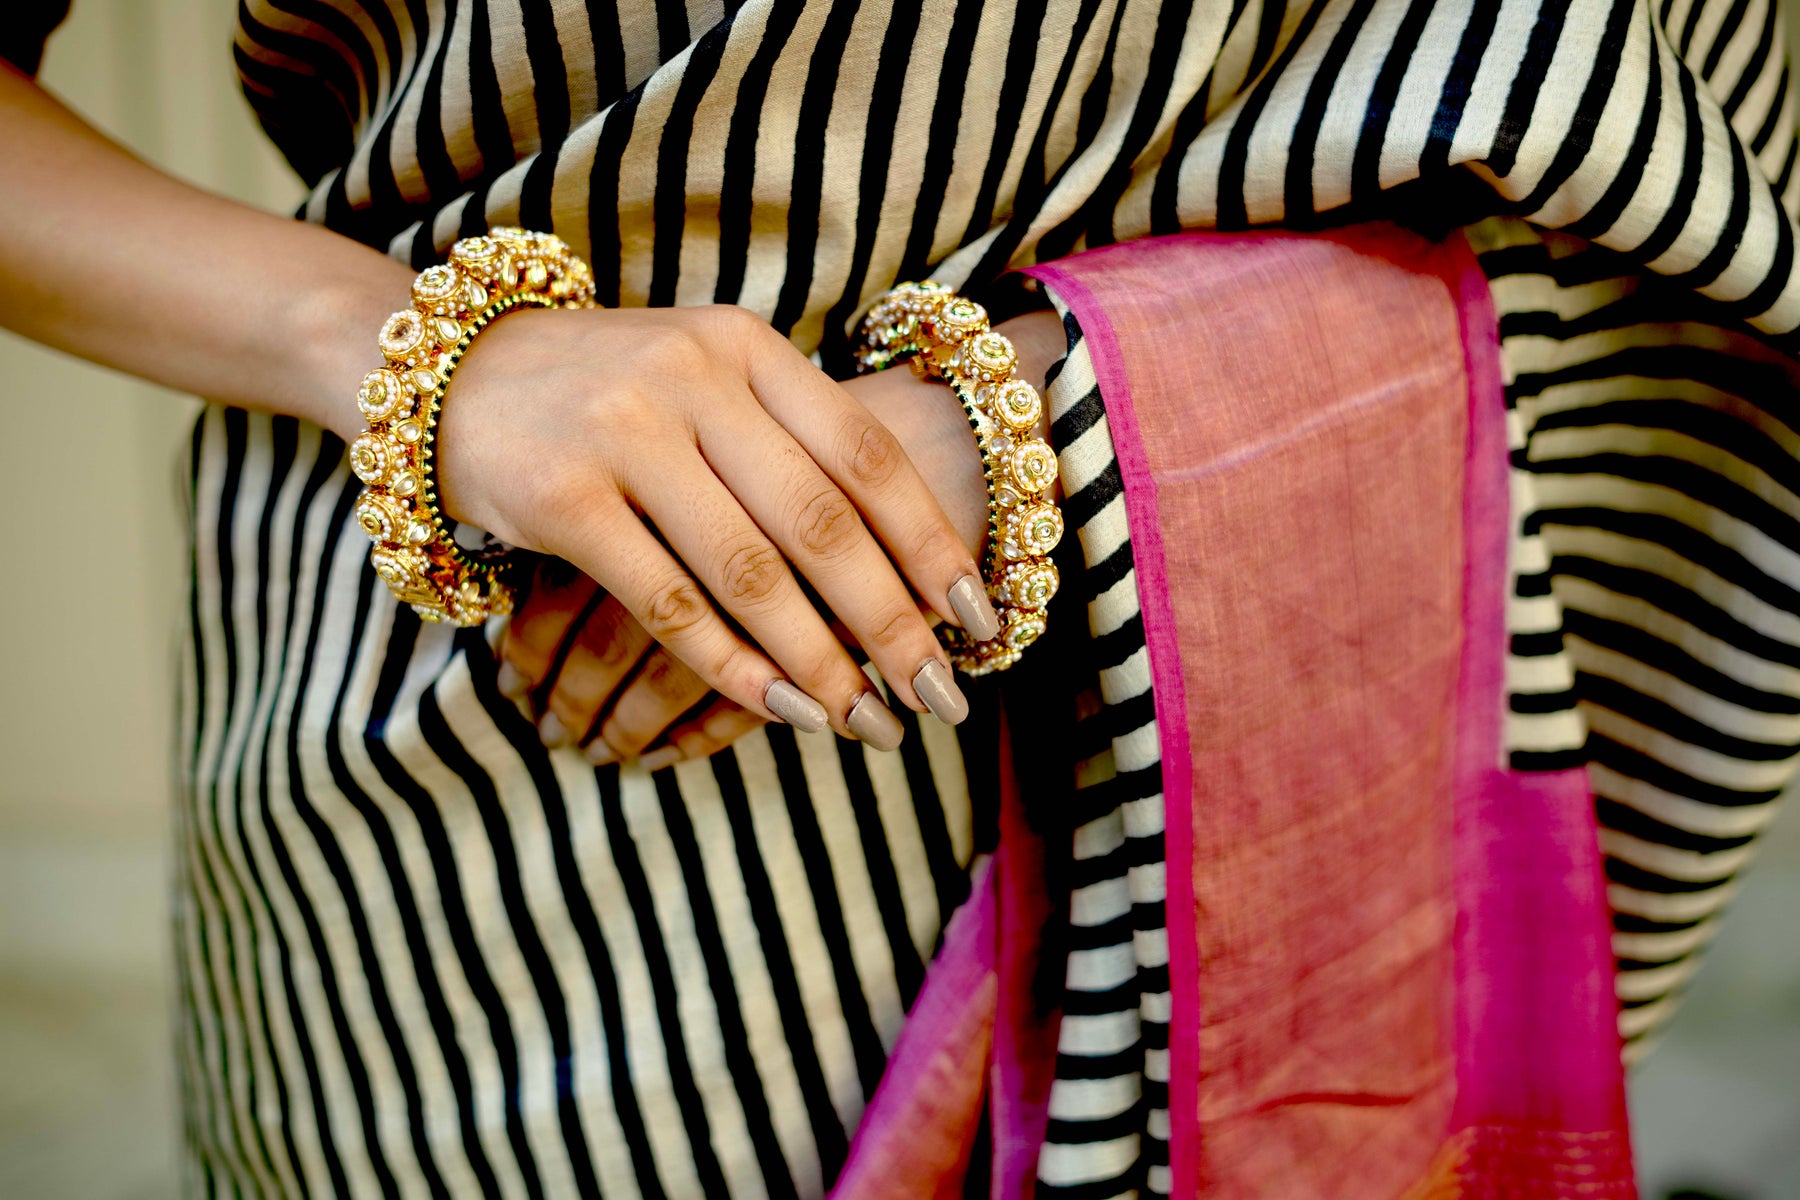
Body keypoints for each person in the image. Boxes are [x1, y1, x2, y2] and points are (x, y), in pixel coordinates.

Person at [3, 0, 1796, 1195]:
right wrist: (413, 349)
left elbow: (1667, 145)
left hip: (1296, 728)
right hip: (489, 782)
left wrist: (1058, 410)